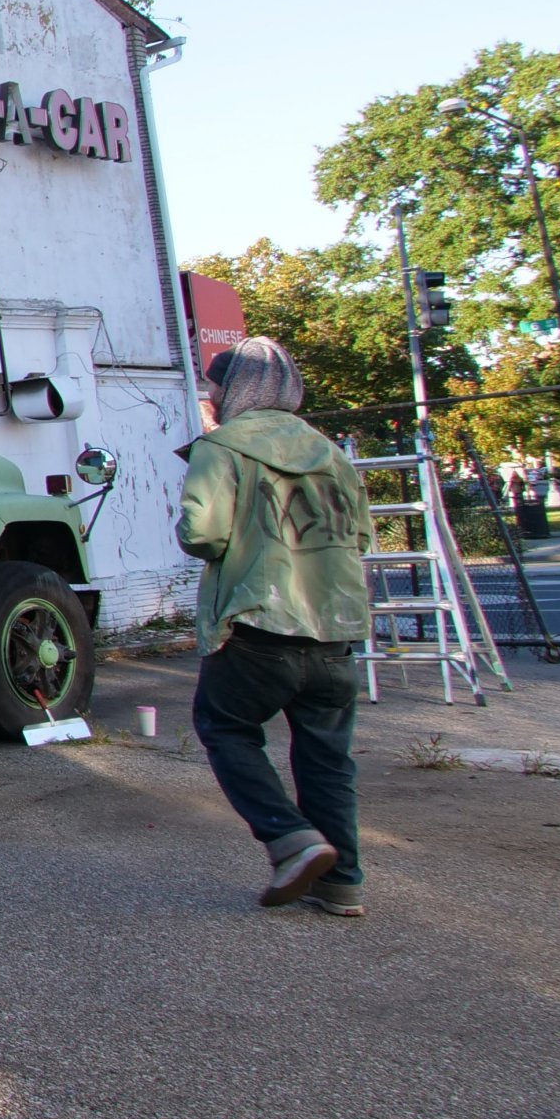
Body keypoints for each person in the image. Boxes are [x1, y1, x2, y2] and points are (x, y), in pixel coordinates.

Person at [176, 336, 377, 916]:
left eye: (215, 386)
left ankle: (290, 839)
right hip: (335, 626)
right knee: (327, 757)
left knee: (224, 727)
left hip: (258, 622)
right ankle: (342, 883)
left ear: (236, 389)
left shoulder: (223, 448)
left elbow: (202, 535)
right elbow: (359, 536)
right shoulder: (331, 454)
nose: (211, 398)